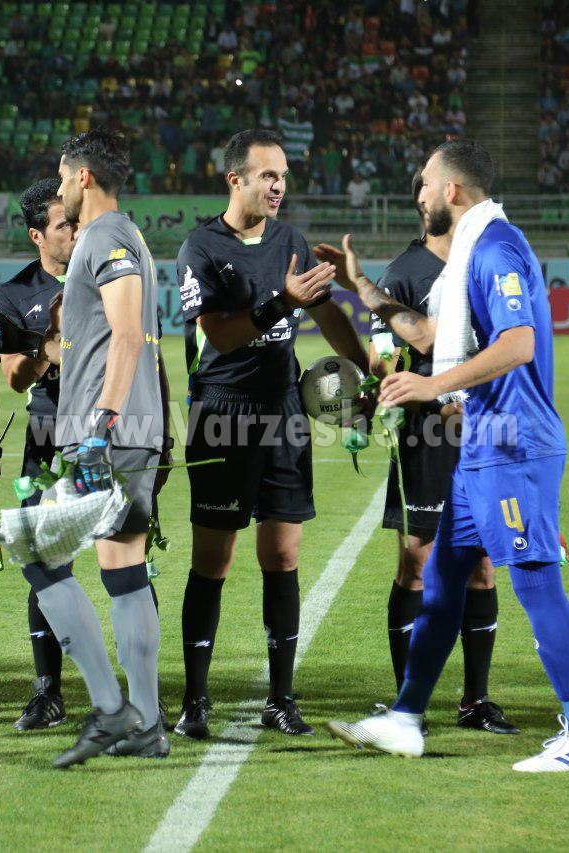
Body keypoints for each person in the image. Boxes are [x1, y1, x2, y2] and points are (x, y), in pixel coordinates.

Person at [327, 139, 569, 772]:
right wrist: (363, 288)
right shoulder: (469, 253)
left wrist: (432, 386)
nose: (419, 194)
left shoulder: (496, 249)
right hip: (482, 444)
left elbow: (518, 343)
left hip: (513, 444)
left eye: (426, 183)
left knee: (534, 578)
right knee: (444, 578)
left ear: (452, 191)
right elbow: (433, 335)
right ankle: (406, 719)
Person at [173, 129, 369, 740]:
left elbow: (327, 313)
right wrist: (282, 302)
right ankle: (195, 700)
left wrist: (365, 373)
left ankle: (281, 699)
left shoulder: (290, 241)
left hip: (283, 411)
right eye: (268, 175)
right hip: (223, 413)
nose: (279, 185)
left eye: (283, 176)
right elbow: (220, 334)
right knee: (214, 559)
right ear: (235, 179)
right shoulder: (201, 247)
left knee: (282, 556)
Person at [313, 172, 516, 735]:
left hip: (483, 428)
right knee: (419, 560)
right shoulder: (404, 272)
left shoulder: (485, 261)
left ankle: (476, 701)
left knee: (482, 565)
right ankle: (409, 704)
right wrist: (384, 381)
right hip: (428, 432)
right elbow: (382, 354)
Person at [25, 130, 166, 768]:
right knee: (124, 572)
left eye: (62, 178)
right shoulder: (124, 234)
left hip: (107, 437)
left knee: (36, 551)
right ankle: (147, 723)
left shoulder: (106, 235)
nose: (59, 190)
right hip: (126, 433)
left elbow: (128, 334)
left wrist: (98, 426)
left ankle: (112, 710)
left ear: (83, 176)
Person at [0, 178, 75, 731]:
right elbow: (16, 379)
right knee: (45, 565)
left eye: (76, 220)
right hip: (48, 436)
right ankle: (48, 692)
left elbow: (149, 356)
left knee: (128, 561)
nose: (75, 231)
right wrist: (51, 339)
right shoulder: (15, 295)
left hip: (112, 431)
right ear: (37, 235)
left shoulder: (113, 274)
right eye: (64, 225)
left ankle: (145, 693)